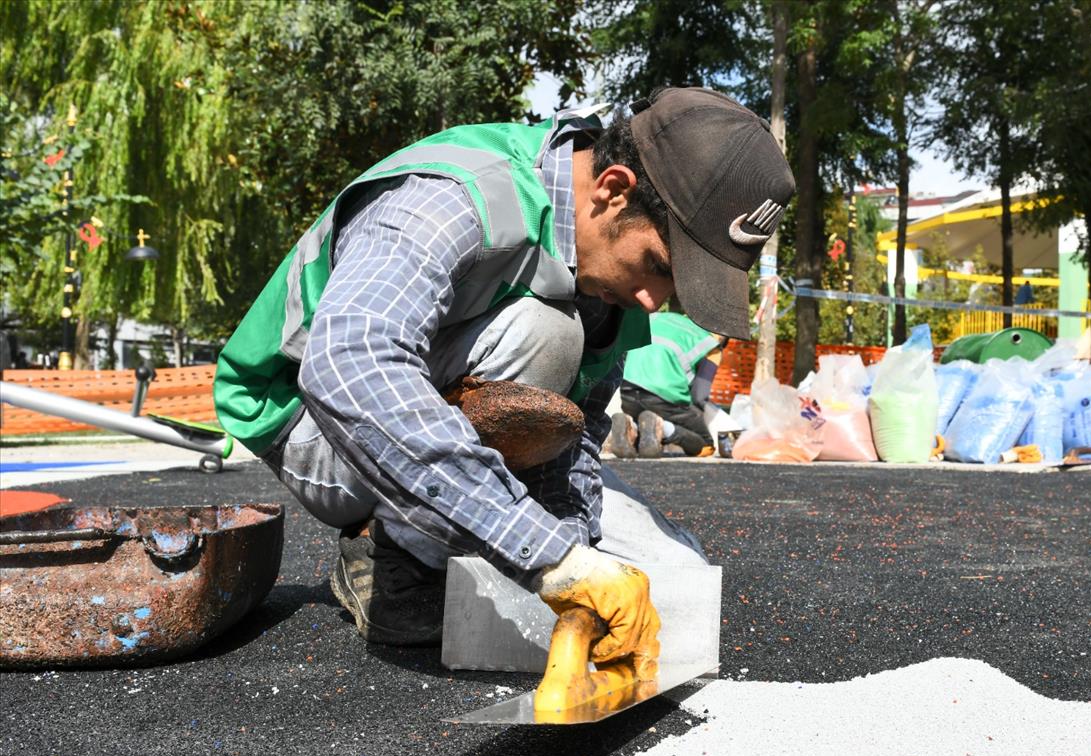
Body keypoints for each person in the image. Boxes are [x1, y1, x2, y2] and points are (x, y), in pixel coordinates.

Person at [212, 87, 794, 672]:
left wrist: (575, 547)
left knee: (675, 579)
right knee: (546, 330)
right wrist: (549, 559)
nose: (654, 299)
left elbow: (578, 437)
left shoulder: (608, 277)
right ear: (613, 191)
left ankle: (452, 537)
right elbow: (350, 365)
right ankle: (401, 558)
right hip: (317, 430)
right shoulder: (452, 198)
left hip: (437, 419)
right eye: (660, 267)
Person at [607, 309, 724, 458]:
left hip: (628, 392)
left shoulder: (659, 318)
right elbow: (700, 396)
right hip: (664, 399)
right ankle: (663, 426)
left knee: (644, 438)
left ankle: (631, 425)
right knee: (706, 445)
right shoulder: (710, 343)